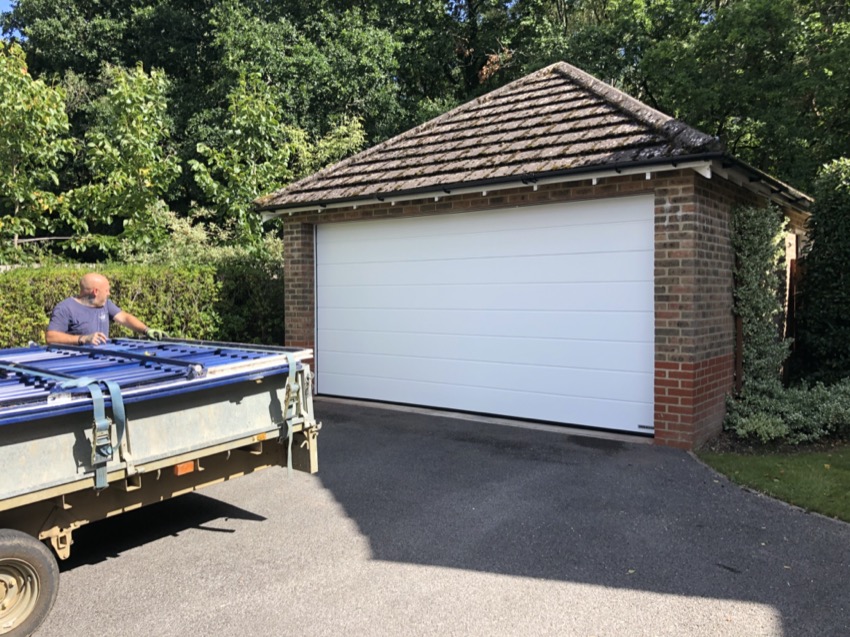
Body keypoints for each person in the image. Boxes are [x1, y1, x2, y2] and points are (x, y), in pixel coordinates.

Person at [45, 272, 165, 346]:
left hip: (102, 360)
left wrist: (146, 330)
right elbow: (51, 337)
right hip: (77, 364)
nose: (109, 293)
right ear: (95, 291)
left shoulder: (105, 304)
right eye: (107, 290)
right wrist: (83, 339)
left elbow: (124, 318)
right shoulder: (65, 308)